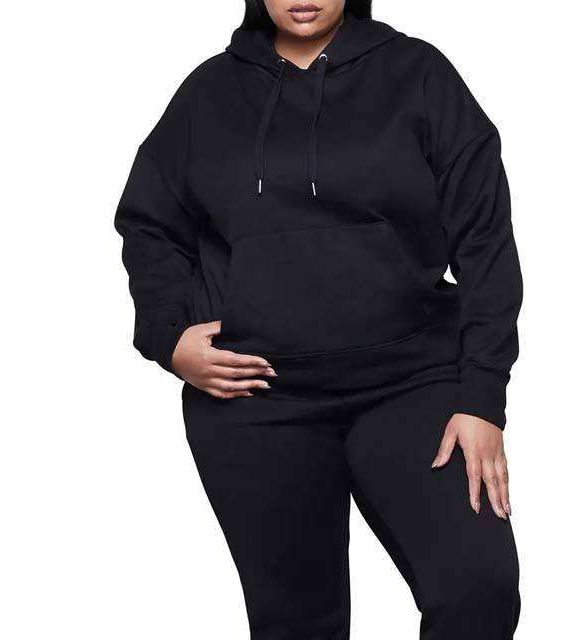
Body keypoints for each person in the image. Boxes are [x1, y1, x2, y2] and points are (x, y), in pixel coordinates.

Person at [115, 1, 523, 637]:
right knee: (297, 626)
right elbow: (149, 223)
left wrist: (482, 399)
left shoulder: (418, 73)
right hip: (256, 398)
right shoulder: (209, 93)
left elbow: (485, 241)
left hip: (413, 384)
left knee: (478, 591)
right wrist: (168, 336)